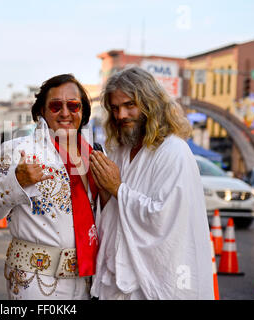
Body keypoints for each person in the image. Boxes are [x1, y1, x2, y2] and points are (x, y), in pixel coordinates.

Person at [89, 66, 214, 300]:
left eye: (129, 105)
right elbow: (111, 214)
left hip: (150, 284)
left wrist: (117, 189)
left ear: (151, 105)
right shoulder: (120, 150)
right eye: (115, 108)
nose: (121, 115)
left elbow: (165, 218)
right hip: (114, 280)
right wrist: (104, 189)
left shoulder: (174, 151)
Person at [0, 74, 100, 300]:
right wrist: (16, 181)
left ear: (83, 112)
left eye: (73, 105)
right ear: (41, 111)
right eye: (55, 106)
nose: (65, 113)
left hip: (85, 281)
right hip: (36, 282)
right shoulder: (19, 149)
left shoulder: (95, 156)